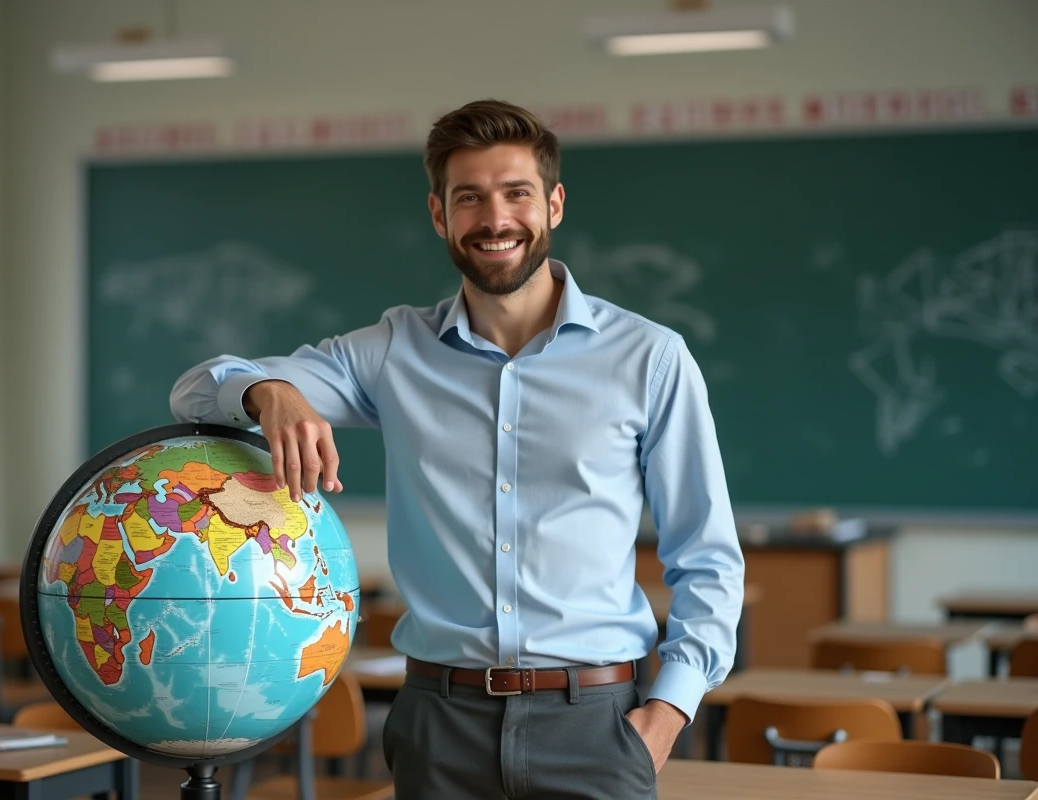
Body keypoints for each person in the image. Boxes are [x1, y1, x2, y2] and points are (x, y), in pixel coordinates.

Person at [170, 98, 744, 800]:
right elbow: (196, 391)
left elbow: (707, 557)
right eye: (469, 197)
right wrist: (269, 391)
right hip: (440, 725)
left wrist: (667, 714)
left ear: (554, 205)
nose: (495, 219)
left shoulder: (650, 358)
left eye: (516, 194)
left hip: (596, 724)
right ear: (440, 215)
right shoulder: (392, 351)